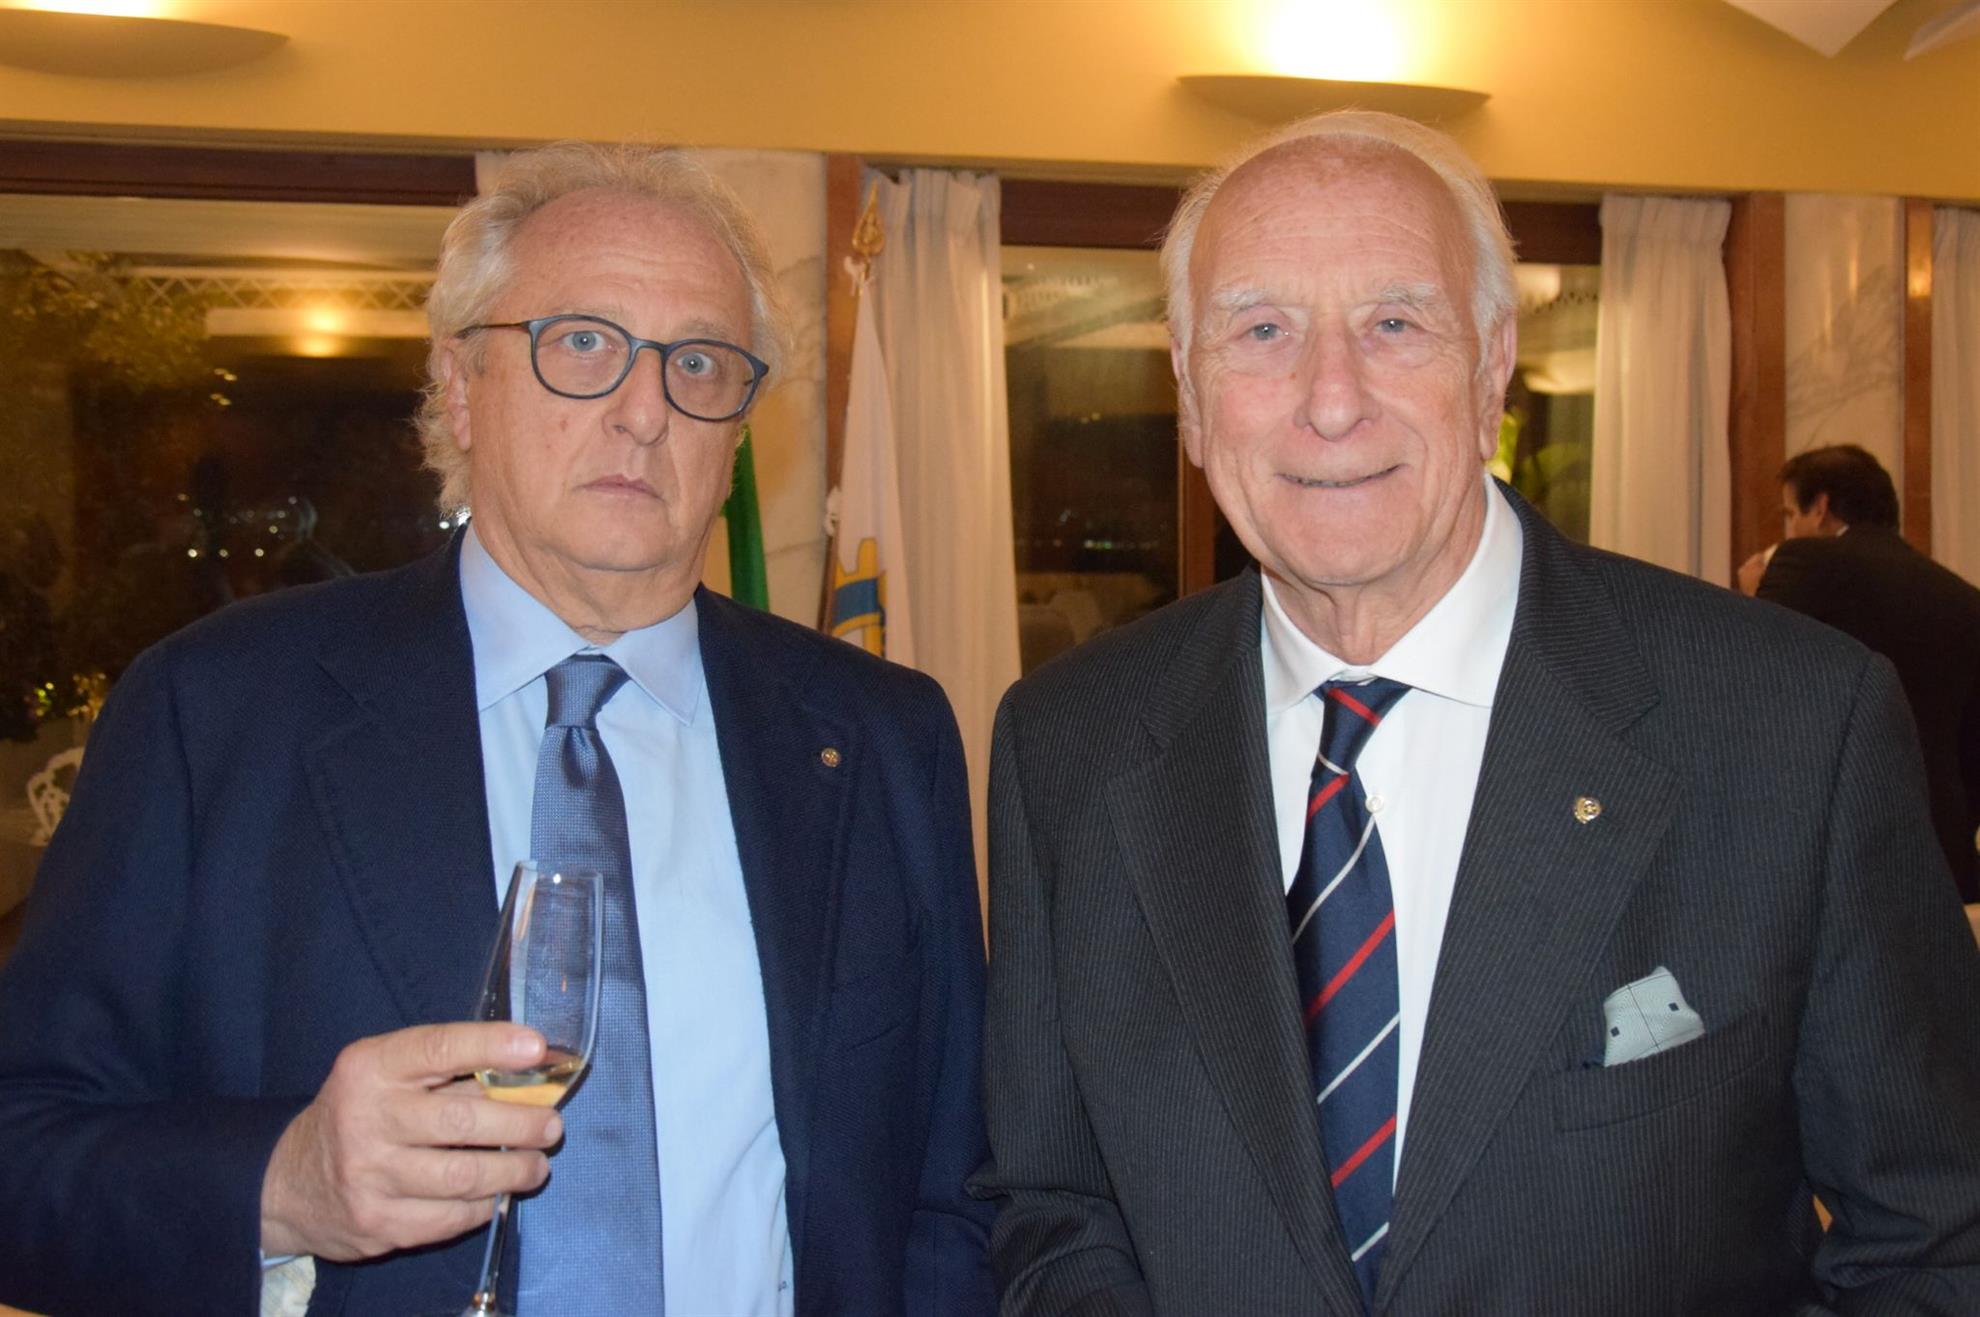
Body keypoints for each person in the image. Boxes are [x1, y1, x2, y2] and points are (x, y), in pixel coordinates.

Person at [973, 111, 1980, 1313]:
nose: (1331, 401)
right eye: (1261, 331)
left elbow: (1936, 1241)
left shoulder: (1793, 725)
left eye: (1395, 324)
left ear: (1493, 361)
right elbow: (1054, 1206)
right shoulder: (1066, 745)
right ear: (1190, 395)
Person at [0, 143, 995, 1316]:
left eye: (699, 362)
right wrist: (284, 1184)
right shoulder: (214, 712)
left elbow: (952, 1188)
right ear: (461, 385)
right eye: (582, 344)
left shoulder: (878, 735)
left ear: (737, 428)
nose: (643, 412)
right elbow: (23, 1150)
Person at [1737, 444, 1980, 902]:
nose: (1791, 527)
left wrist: (1753, 597)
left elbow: (1752, 686)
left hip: (1831, 841)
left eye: (1791, 514)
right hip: (1941, 851)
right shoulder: (1965, 598)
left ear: (1821, 507)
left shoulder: (1806, 562)